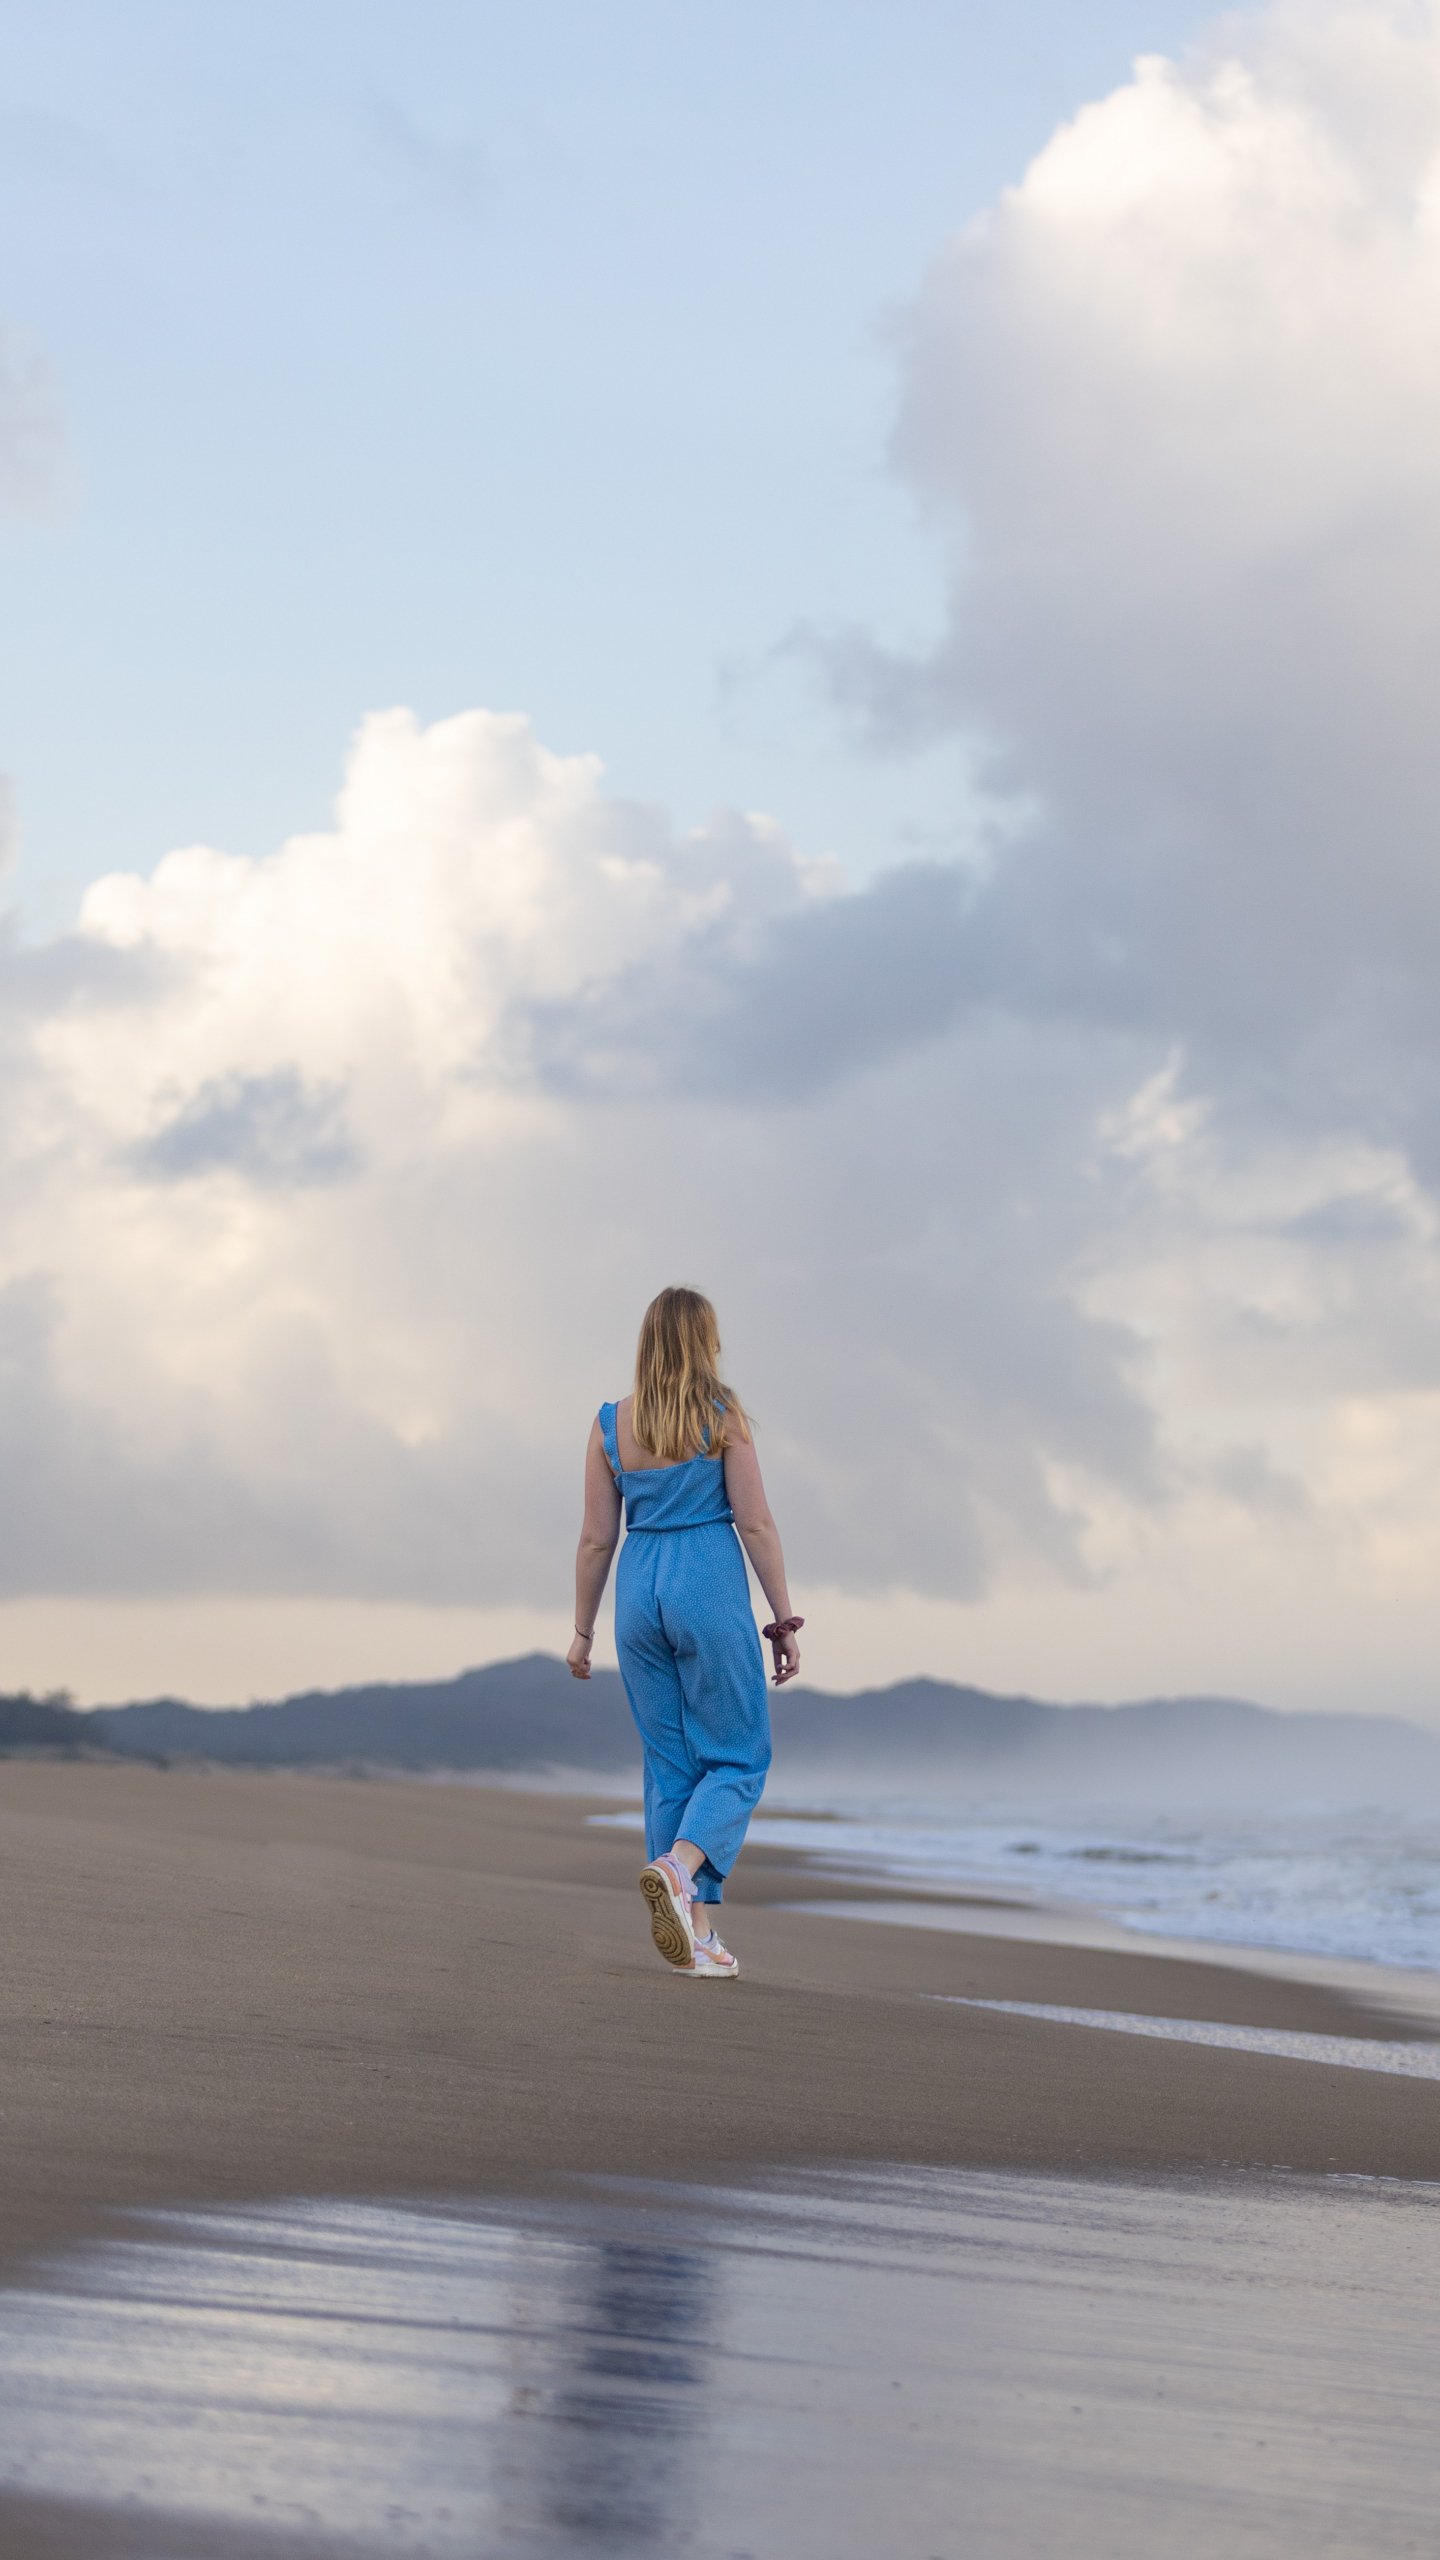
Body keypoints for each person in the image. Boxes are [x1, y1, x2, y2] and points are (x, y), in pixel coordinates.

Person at [567, 1285, 802, 1979]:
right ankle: (678, 1866)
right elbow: (755, 1522)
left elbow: (595, 1539)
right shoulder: (722, 1416)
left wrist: (582, 1631)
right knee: (738, 1758)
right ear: (705, 1343)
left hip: (639, 1591)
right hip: (705, 1583)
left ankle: (696, 1934)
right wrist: (782, 1619)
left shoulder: (610, 1425)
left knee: (671, 1764)